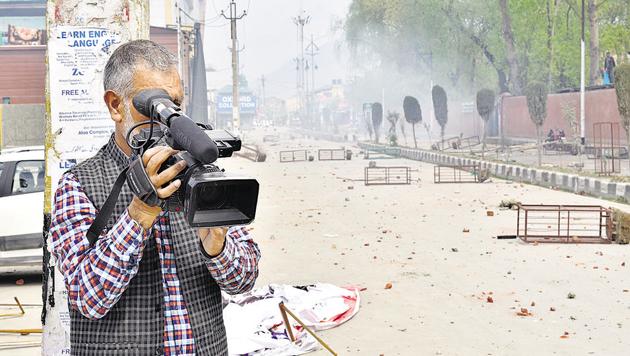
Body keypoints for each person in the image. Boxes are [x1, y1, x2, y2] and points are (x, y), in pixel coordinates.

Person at [49, 40, 260, 355]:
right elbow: (86, 297)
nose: (166, 118)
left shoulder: (201, 172)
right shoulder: (77, 184)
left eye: (174, 104)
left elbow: (243, 281)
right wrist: (139, 213)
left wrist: (217, 248)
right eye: (153, 105)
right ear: (115, 106)